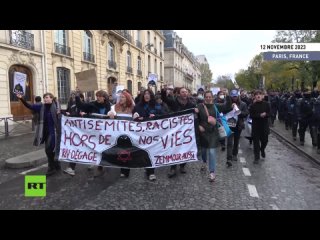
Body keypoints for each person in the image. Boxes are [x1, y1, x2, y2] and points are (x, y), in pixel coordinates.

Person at [16, 92, 61, 176]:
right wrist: (21, 98)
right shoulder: (41, 107)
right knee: (50, 150)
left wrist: (62, 114)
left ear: (51, 98)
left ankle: (51, 168)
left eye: (47, 97)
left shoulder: (57, 107)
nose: (45, 99)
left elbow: (63, 116)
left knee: (48, 150)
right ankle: (56, 164)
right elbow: (30, 106)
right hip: (44, 132)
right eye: (44, 98)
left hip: (54, 132)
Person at [161, 87, 197, 178]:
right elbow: (164, 99)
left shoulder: (191, 104)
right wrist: (164, 91)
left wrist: (196, 111)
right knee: (174, 148)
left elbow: (196, 113)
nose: (184, 93)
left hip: (186, 131)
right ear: (179, 94)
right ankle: (173, 168)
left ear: (188, 93)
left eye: (186, 92)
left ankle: (182, 166)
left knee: (185, 147)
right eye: (182, 92)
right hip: (175, 130)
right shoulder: (174, 102)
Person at [198, 90, 232, 181]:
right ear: (204, 97)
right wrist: (198, 126)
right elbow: (195, 118)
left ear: (212, 97)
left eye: (210, 97)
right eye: (206, 97)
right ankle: (204, 161)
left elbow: (227, 106)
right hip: (203, 133)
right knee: (204, 150)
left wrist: (227, 95)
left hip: (213, 132)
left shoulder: (216, 106)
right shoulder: (200, 107)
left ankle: (212, 172)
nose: (208, 98)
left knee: (212, 152)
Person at [75, 90, 111, 177]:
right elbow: (81, 105)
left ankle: (100, 167)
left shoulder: (108, 106)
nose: (98, 97)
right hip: (95, 132)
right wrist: (77, 96)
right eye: (97, 96)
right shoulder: (92, 104)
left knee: (103, 149)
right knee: (96, 148)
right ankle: (97, 164)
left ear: (104, 97)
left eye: (100, 96)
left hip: (105, 131)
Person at [249, 90, 271, 163]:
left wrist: (266, 114)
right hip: (256, 127)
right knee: (256, 143)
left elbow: (270, 113)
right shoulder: (252, 105)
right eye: (257, 94)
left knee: (265, 141)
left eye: (260, 94)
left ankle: (262, 149)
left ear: (262, 96)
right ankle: (256, 157)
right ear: (254, 96)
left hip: (264, 126)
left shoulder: (267, 104)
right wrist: (259, 115)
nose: (258, 96)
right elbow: (251, 115)